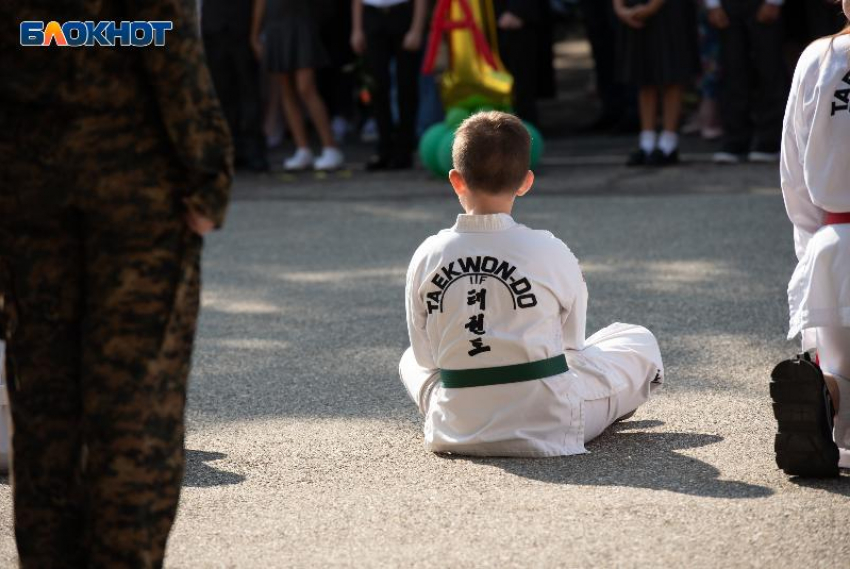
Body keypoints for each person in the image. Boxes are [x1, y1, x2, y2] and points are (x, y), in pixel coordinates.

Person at [0, 1, 232, 566]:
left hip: (31, 204)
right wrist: (208, 178)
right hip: (137, 209)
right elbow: (173, 57)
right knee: (135, 403)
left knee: (45, 407)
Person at [399, 112, 664, 456]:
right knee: (636, 340)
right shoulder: (550, 249)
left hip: (457, 424)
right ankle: (610, 407)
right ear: (526, 181)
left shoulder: (427, 253)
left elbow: (426, 357)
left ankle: (467, 416)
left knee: (410, 359)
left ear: (456, 180)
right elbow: (572, 345)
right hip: (551, 421)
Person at [772, 6, 850, 477]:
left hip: (836, 241)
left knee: (841, 369)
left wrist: (811, 251)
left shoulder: (819, 58)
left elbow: (794, 172)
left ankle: (827, 394)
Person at [252, 0, 345, 171]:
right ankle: (302, 148)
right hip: (275, 26)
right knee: (286, 91)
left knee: (306, 88)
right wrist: (255, 34)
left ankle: (330, 146)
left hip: (299, 23)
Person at [614, 0, 700, 167]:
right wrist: (620, 8)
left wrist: (651, 7)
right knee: (643, 76)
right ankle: (647, 142)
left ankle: (668, 142)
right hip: (634, 8)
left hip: (668, 10)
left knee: (672, 74)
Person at [707, 0, 789, 164]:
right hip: (728, 7)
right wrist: (712, 5)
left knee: (770, 70)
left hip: (763, 4)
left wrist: (774, 2)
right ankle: (735, 139)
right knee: (733, 70)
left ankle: (769, 141)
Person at [351, 0, 428, 170]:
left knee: (407, 87)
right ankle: (383, 147)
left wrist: (417, 29)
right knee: (376, 86)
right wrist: (357, 29)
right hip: (373, 16)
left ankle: (404, 149)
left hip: (403, 14)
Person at [202, 0, 269, 172]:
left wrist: (255, 34)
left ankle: (253, 150)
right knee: (221, 93)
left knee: (249, 92)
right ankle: (229, 149)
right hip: (213, 30)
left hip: (243, 30)